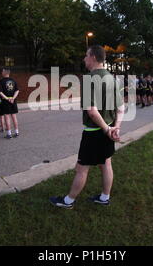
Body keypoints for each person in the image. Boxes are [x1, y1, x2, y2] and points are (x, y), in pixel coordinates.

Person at [50, 45, 125, 209]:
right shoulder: (112, 78)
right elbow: (121, 108)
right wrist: (115, 128)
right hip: (109, 129)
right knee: (106, 164)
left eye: (86, 55)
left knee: (81, 168)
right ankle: (105, 197)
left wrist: (106, 129)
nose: (84, 59)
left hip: (94, 131)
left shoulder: (89, 79)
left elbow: (92, 112)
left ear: (93, 58)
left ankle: (68, 201)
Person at [0, 68, 20, 139]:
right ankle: (17, 132)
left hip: (5, 101)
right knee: (14, 116)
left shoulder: (1, 81)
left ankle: (9, 134)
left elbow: (0, 92)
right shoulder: (13, 80)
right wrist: (13, 98)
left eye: (2, 71)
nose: (1, 72)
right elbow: (17, 90)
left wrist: (7, 99)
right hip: (13, 101)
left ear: (5, 72)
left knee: (7, 117)